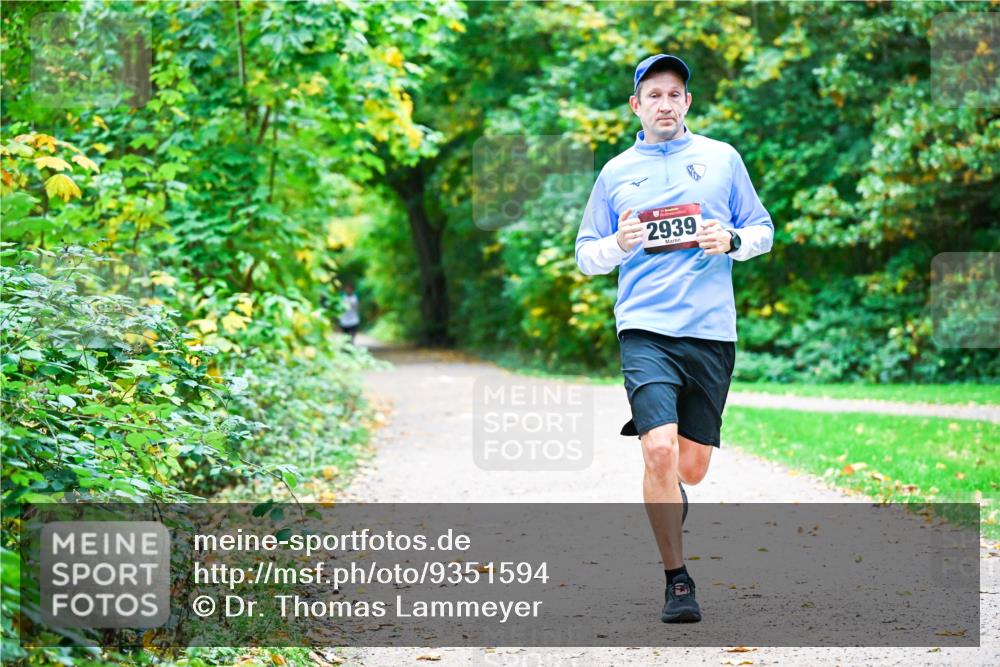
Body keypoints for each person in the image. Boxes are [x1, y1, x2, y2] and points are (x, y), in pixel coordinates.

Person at [574, 54, 774, 623]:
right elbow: (587, 254)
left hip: (710, 331)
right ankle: (677, 580)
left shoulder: (721, 159)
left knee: (690, 468)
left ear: (687, 103)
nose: (665, 103)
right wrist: (619, 243)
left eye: (674, 94)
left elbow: (762, 229)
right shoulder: (616, 173)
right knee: (657, 449)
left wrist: (732, 239)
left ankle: (671, 487)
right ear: (637, 105)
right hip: (644, 328)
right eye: (653, 94)